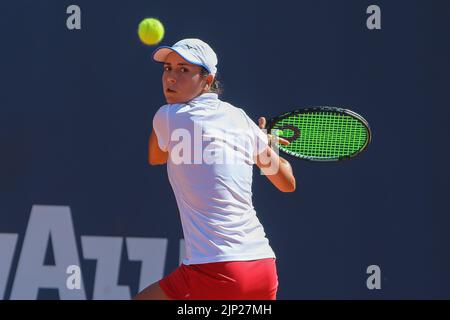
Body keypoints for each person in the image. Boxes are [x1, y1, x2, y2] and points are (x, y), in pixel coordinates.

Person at [134, 39, 296, 300]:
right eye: (167, 68)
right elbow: (286, 183)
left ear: (207, 80)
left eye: (184, 70)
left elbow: (156, 156)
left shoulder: (167, 116)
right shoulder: (240, 118)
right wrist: (263, 144)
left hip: (215, 270)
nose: (171, 78)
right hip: (262, 267)